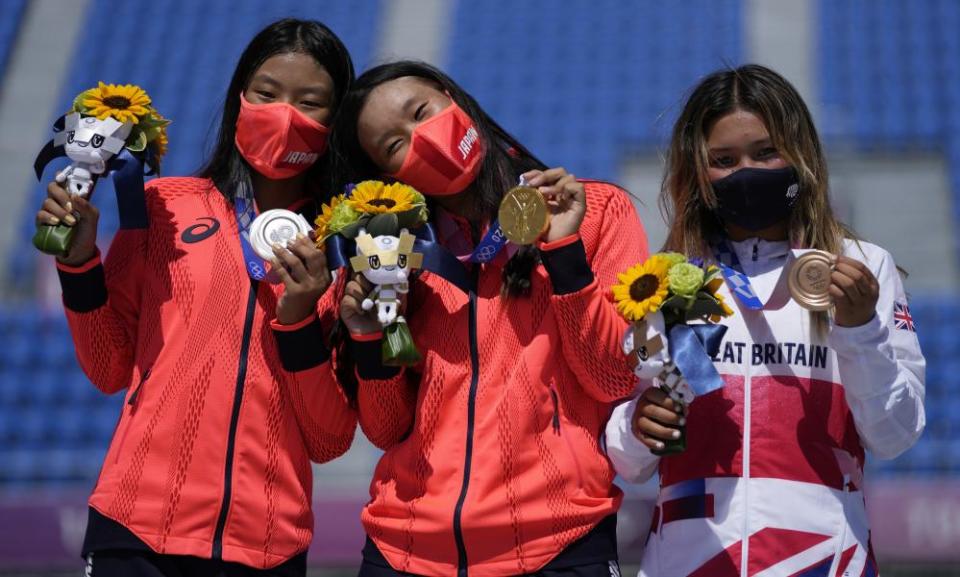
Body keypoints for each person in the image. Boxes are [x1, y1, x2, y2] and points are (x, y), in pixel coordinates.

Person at [35, 18, 357, 577]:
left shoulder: (344, 246)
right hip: (135, 531)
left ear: (337, 121)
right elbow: (110, 367)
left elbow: (329, 440)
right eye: (266, 94)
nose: (284, 114)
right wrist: (78, 262)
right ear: (239, 99)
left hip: (266, 547)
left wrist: (301, 321)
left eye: (311, 102)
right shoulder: (161, 206)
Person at [324, 60, 649, 577]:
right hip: (403, 551)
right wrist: (370, 337)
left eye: (422, 112)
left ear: (455, 99)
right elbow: (387, 429)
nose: (422, 138)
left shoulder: (595, 212)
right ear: (389, 177)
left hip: (557, 545)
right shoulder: (392, 257)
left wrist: (564, 252)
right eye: (395, 145)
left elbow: (613, 377)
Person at [604, 64, 925, 577]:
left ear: (802, 156)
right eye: (724, 160)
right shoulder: (668, 281)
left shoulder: (861, 267)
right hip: (688, 560)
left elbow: (895, 434)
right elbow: (626, 459)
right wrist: (639, 425)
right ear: (697, 171)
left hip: (824, 559)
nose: (746, 171)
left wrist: (860, 328)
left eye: (766, 152)